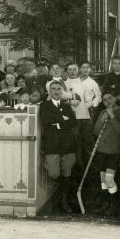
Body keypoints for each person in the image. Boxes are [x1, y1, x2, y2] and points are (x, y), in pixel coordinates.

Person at [40, 81, 77, 213]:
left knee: (67, 173)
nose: (56, 91)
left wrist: (57, 121)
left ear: (62, 91)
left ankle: (63, 201)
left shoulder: (67, 106)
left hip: (67, 145)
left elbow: (73, 122)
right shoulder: (44, 106)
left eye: (58, 89)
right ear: (50, 91)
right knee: (54, 174)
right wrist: (62, 119)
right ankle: (57, 198)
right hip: (52, 145)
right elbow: (45, 120)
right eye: (53, 89)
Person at [65, 62, 101, 167]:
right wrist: (70, 104)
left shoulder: (86, 84)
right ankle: (75, 168)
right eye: (70, 69)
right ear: (67, 71)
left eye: (74, 69)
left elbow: (92, 99)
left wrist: (85, 107)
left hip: (85, 116)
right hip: (70, 118)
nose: (72, 72)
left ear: (77, 71)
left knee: (88, 142)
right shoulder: (63, 84)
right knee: (74, 143)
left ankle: (89, 167)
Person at [94, 92, 120, 201]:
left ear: (115, 98)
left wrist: (112, 116)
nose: (108, 101)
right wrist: (101, 120)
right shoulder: (102, 112)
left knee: (109, 179)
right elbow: (96, 131)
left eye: (110, 98)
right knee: (103, 181)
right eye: (105, 99)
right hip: (101, 149)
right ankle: (105, 204)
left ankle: (113, 205)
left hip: (114, 151)